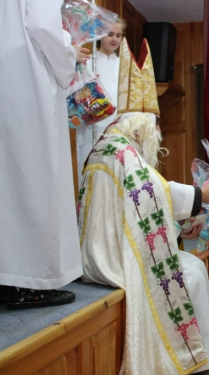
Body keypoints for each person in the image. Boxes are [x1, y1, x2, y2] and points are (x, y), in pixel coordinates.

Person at [78, 37, 209, 374]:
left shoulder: (113, 145)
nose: (158, 135)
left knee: (193, 268)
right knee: (188, 273)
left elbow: (141, 207)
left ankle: (200, 357)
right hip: (112, 256)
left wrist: (183, 219)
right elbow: (151, 193)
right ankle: (188, 360)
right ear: (143, 127)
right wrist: (202, 197)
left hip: (113, 243)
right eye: (156, 128)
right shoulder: (121, 152)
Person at [0, 1, 90, 309]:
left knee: (8, 179)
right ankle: (28, 282)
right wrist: (70, 52)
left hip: (8, 73)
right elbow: (42, 25)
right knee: (35, 175)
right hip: (29, 75)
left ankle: (6, 278)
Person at [76, 18, 126, 181]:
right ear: (100, 35)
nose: (114, 39)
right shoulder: (88, 62)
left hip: (119, 126)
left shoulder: (124, 64)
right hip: (94, 126)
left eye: (118, 35)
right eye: (109, 34)